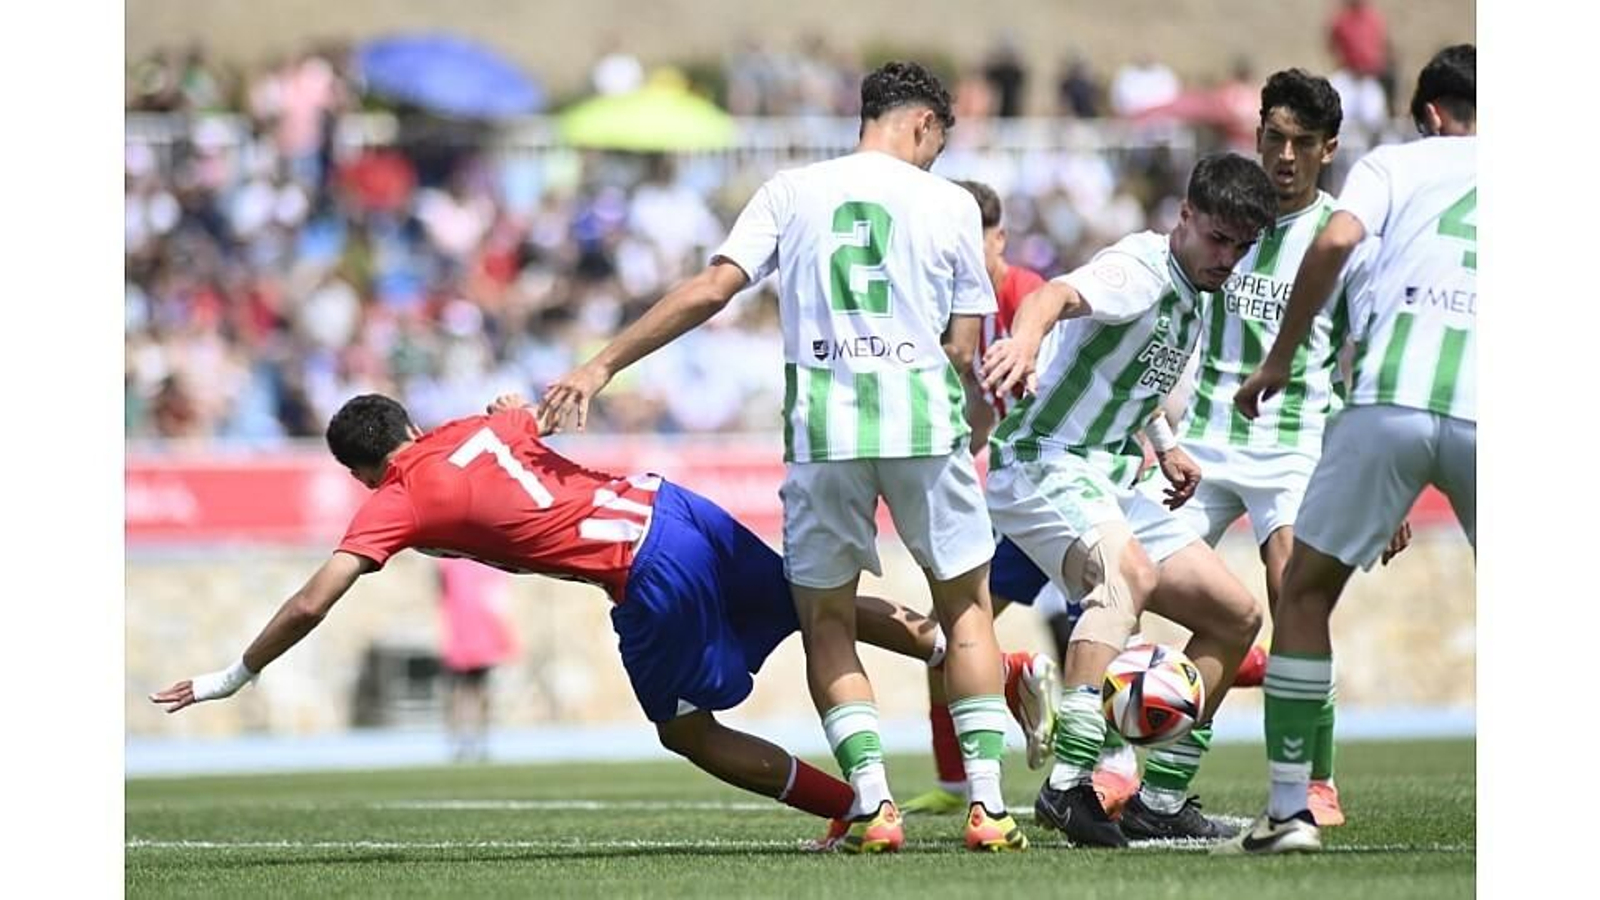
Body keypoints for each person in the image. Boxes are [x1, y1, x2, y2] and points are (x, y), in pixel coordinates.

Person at [150, 393, 1048, 853]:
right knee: (817, 603)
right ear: (414, 420)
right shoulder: (477, 424)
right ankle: (993, 666)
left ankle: (850, 809)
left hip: (642, 567)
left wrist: (236, 672)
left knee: (685, 729)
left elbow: (315, 597)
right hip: (675, 504)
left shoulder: (400, 494)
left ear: (361, 472)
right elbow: (520, 412)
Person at [537, 61, 1021, 853]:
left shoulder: (792, 190)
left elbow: (710, 289)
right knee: (966, 612)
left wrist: (602, 365)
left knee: (825, 620)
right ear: (924, 126)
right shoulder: (952, 204)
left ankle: (873, 808)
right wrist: (971, 428)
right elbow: (965, 349)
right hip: (924, 424)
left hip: (825, 431)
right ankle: (990, 810)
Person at [1218, 44, 1476, 856]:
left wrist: (1281, 358)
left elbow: (1332, 244)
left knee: (1302, 594)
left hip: (1389, 398)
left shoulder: (1395, 164)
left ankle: (1292, 809)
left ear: (1429, 112)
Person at [1136, 67, 1410, 827]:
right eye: (1274, 138)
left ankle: (1311, 779)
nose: (1284, 156)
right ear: (1255, 135)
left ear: (1328, 150)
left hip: (1294, 448)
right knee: (1123, 584)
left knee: (1296, 598)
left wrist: (1383, 475)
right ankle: (1125, 773)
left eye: (1302, 144)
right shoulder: (1221, 217)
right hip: (1205, 444)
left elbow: (1367, 356)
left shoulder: (1342, 239)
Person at [982, 152, 1276, 847]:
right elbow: (1054, 296)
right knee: (1128, 575)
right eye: (1217, 238)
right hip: (1041, 458)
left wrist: (1166, 442)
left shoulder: (1194, 292)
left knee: (1236, 616)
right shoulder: (1140, 271)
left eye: (1240, 246)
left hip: (1108, 471)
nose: (1226, 257)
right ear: (1185, 216)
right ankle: (1067, 788)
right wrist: (1025, 342)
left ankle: (1162, 802)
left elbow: (1130, 378)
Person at [435, 556, 517, 762]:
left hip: (482, 638)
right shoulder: (449, 563)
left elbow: (499, 602)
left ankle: (479, 741)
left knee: (479, 693)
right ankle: (459, 742)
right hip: (459, 637)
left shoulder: (490, 565)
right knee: (460, 693)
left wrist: (505, 638)